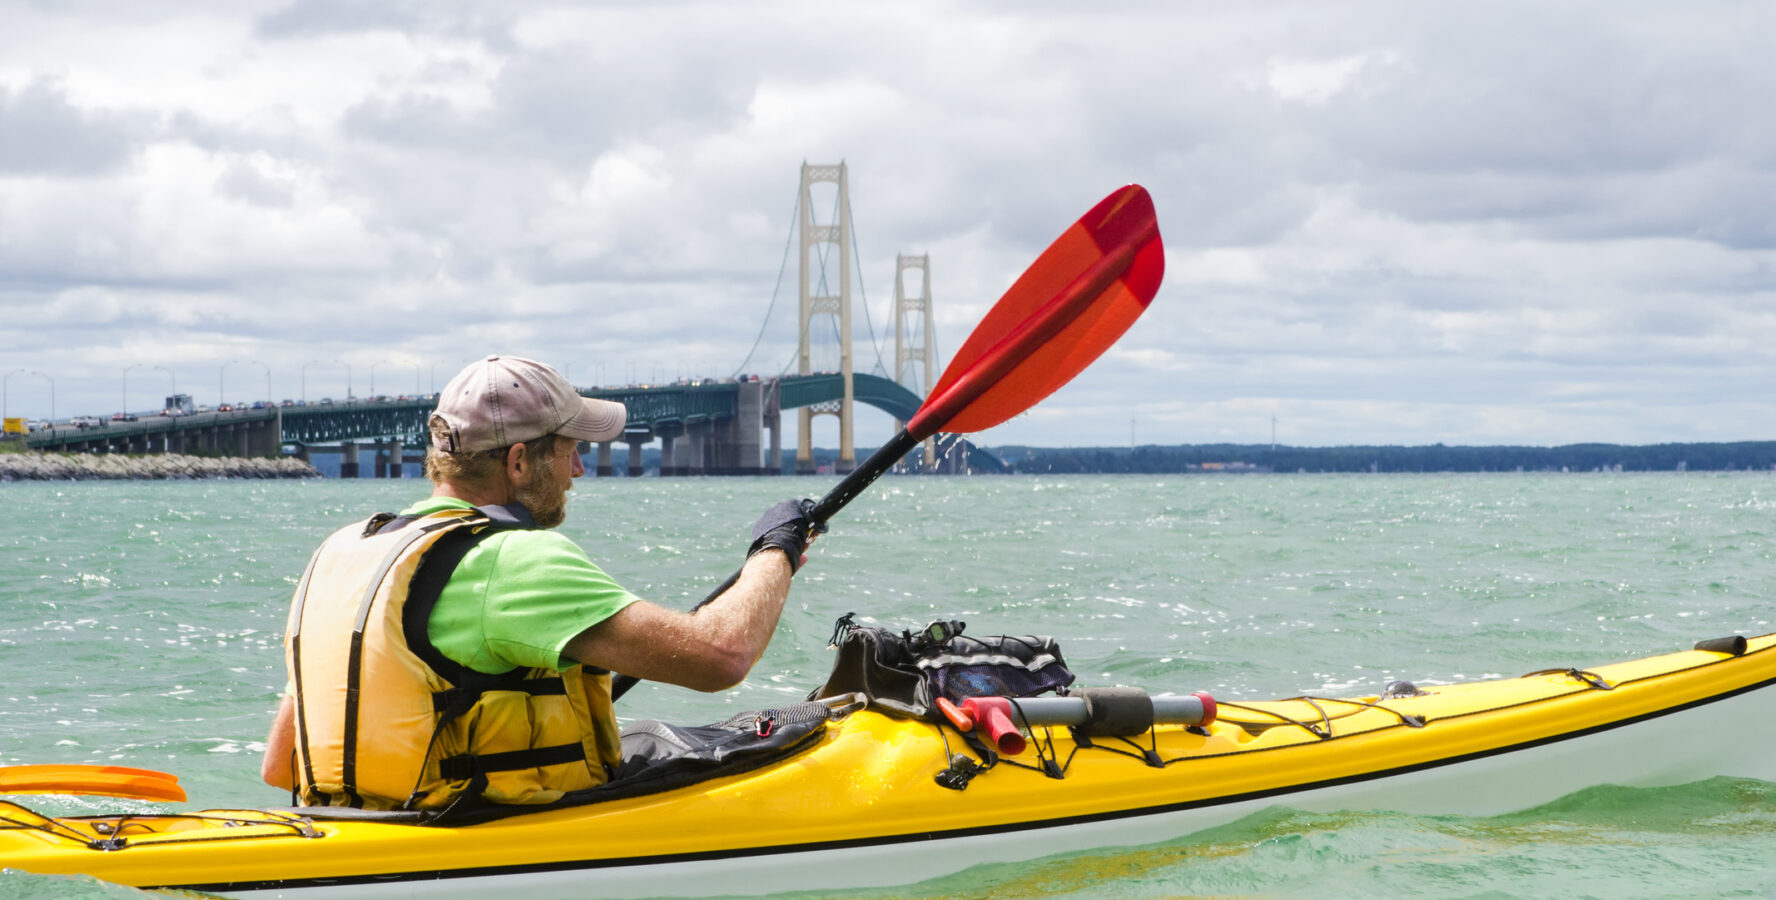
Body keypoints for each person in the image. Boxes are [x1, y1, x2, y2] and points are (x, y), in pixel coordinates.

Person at [260, 355, 815, 811]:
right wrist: (775, 549)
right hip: (469, 841)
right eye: (570, 450)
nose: (578, 471)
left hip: (349, 827)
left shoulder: (341, 553)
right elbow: (720, 655)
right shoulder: (513, 558)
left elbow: (281, 762)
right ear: (520, 462)